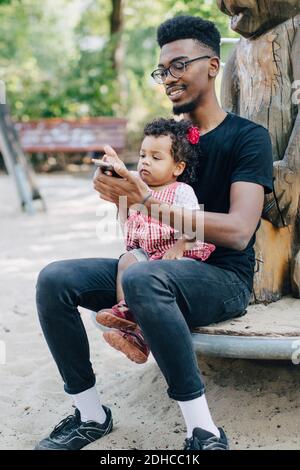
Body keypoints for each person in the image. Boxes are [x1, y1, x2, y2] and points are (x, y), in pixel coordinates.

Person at [35, 15, 273, 451]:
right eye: (163, 70)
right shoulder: (167, 138)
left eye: (179, 65)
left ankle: (203, 430)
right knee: (55, 279)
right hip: (155, 265)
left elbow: (239, 232)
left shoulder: (248, 138)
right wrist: (118, 192)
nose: (169, 78)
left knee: (145, 277)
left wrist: (146, 200)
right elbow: (142, 222)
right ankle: (90, 414)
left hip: (222, 279)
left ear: (213, 65)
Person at [96, 118, 216, 365]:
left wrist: (179, 246)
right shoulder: (138, 188)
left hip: (178, 255)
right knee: (127, 260)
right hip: (149, 254)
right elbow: (128, 224)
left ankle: (136, 329)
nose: (145, 162)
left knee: (142, 275)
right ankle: (126, 315)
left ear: (177, 168)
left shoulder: (181, 191)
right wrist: (114, 171)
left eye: (156, 157)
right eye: (142, 155)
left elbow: (195, 225)